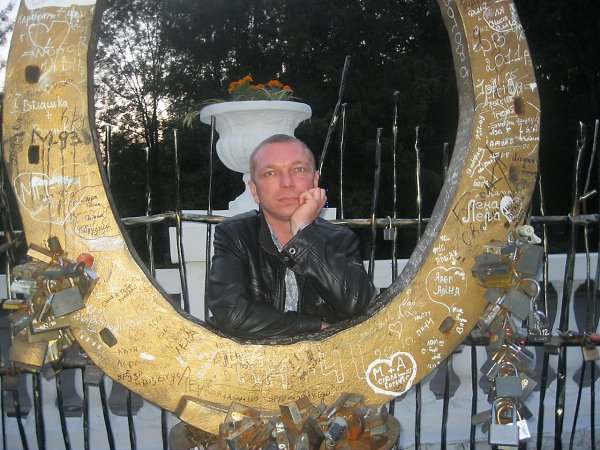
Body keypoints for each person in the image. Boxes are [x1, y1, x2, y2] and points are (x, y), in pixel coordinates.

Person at [206, 134, 375, 339]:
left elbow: (357, 304)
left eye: (298, 170)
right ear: (255, 190)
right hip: (253, 357)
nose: (287, 183)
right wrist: (311, 326)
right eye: (271, 173)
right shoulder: (236, 234)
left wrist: (304, 232)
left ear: (315, 181)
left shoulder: (340, 239)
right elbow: (231, 315)